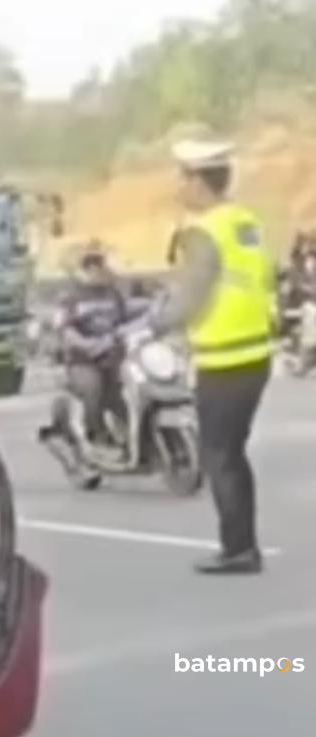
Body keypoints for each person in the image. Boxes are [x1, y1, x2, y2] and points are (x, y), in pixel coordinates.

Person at [150, 141, 276, 575]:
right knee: (232, 453)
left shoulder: (203, 231)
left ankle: (239, 549)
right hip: (256, 352)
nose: (179, 187)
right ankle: (242, 544)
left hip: (224, 358)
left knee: (219, 455)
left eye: (183, 178)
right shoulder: (246, 222)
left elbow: (192, 295)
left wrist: (157, 323)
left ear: (199, 181)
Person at [58, 242, 130, 444]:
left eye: (99, 264)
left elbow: (125, 321)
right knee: (93, 389)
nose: (96, 270)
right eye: (90, 266)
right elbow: (66, 330)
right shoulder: (72, 298)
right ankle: (96, 433)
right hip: (84, 360)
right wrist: (87, 345)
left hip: (113, 356)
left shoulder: (113, 294)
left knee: (127, 391)